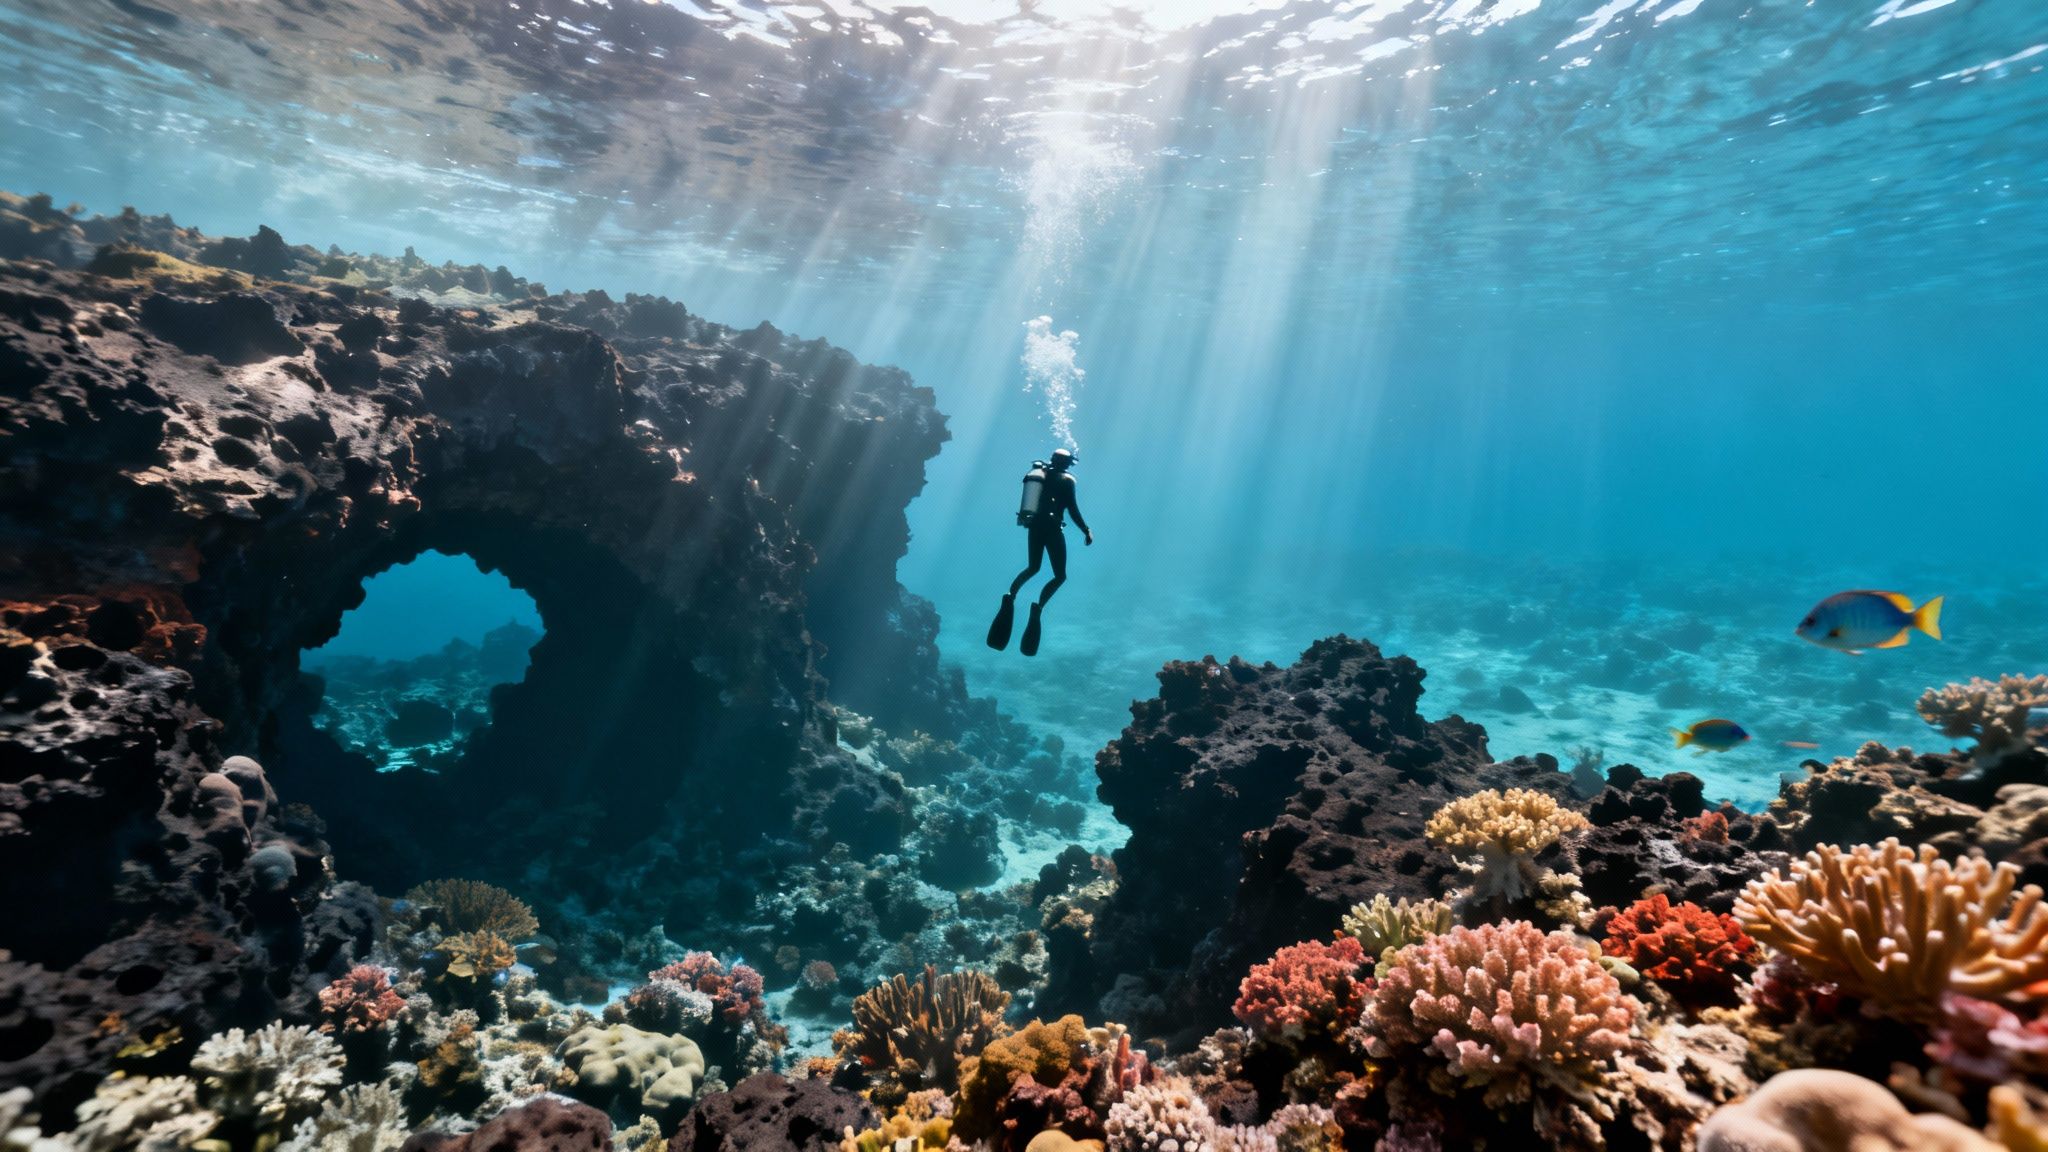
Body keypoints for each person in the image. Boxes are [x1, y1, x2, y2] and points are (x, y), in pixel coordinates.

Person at [988, 448, 1092, 656]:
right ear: (1068, 464)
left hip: (1035, 527)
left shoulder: (1040, 475)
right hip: (1052, 529)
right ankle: (1038, 608)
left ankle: (1010, 596)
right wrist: (1086, 530)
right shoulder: (1066, 480)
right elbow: (1072, 509)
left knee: (1033, 567)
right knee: (1060, 575)